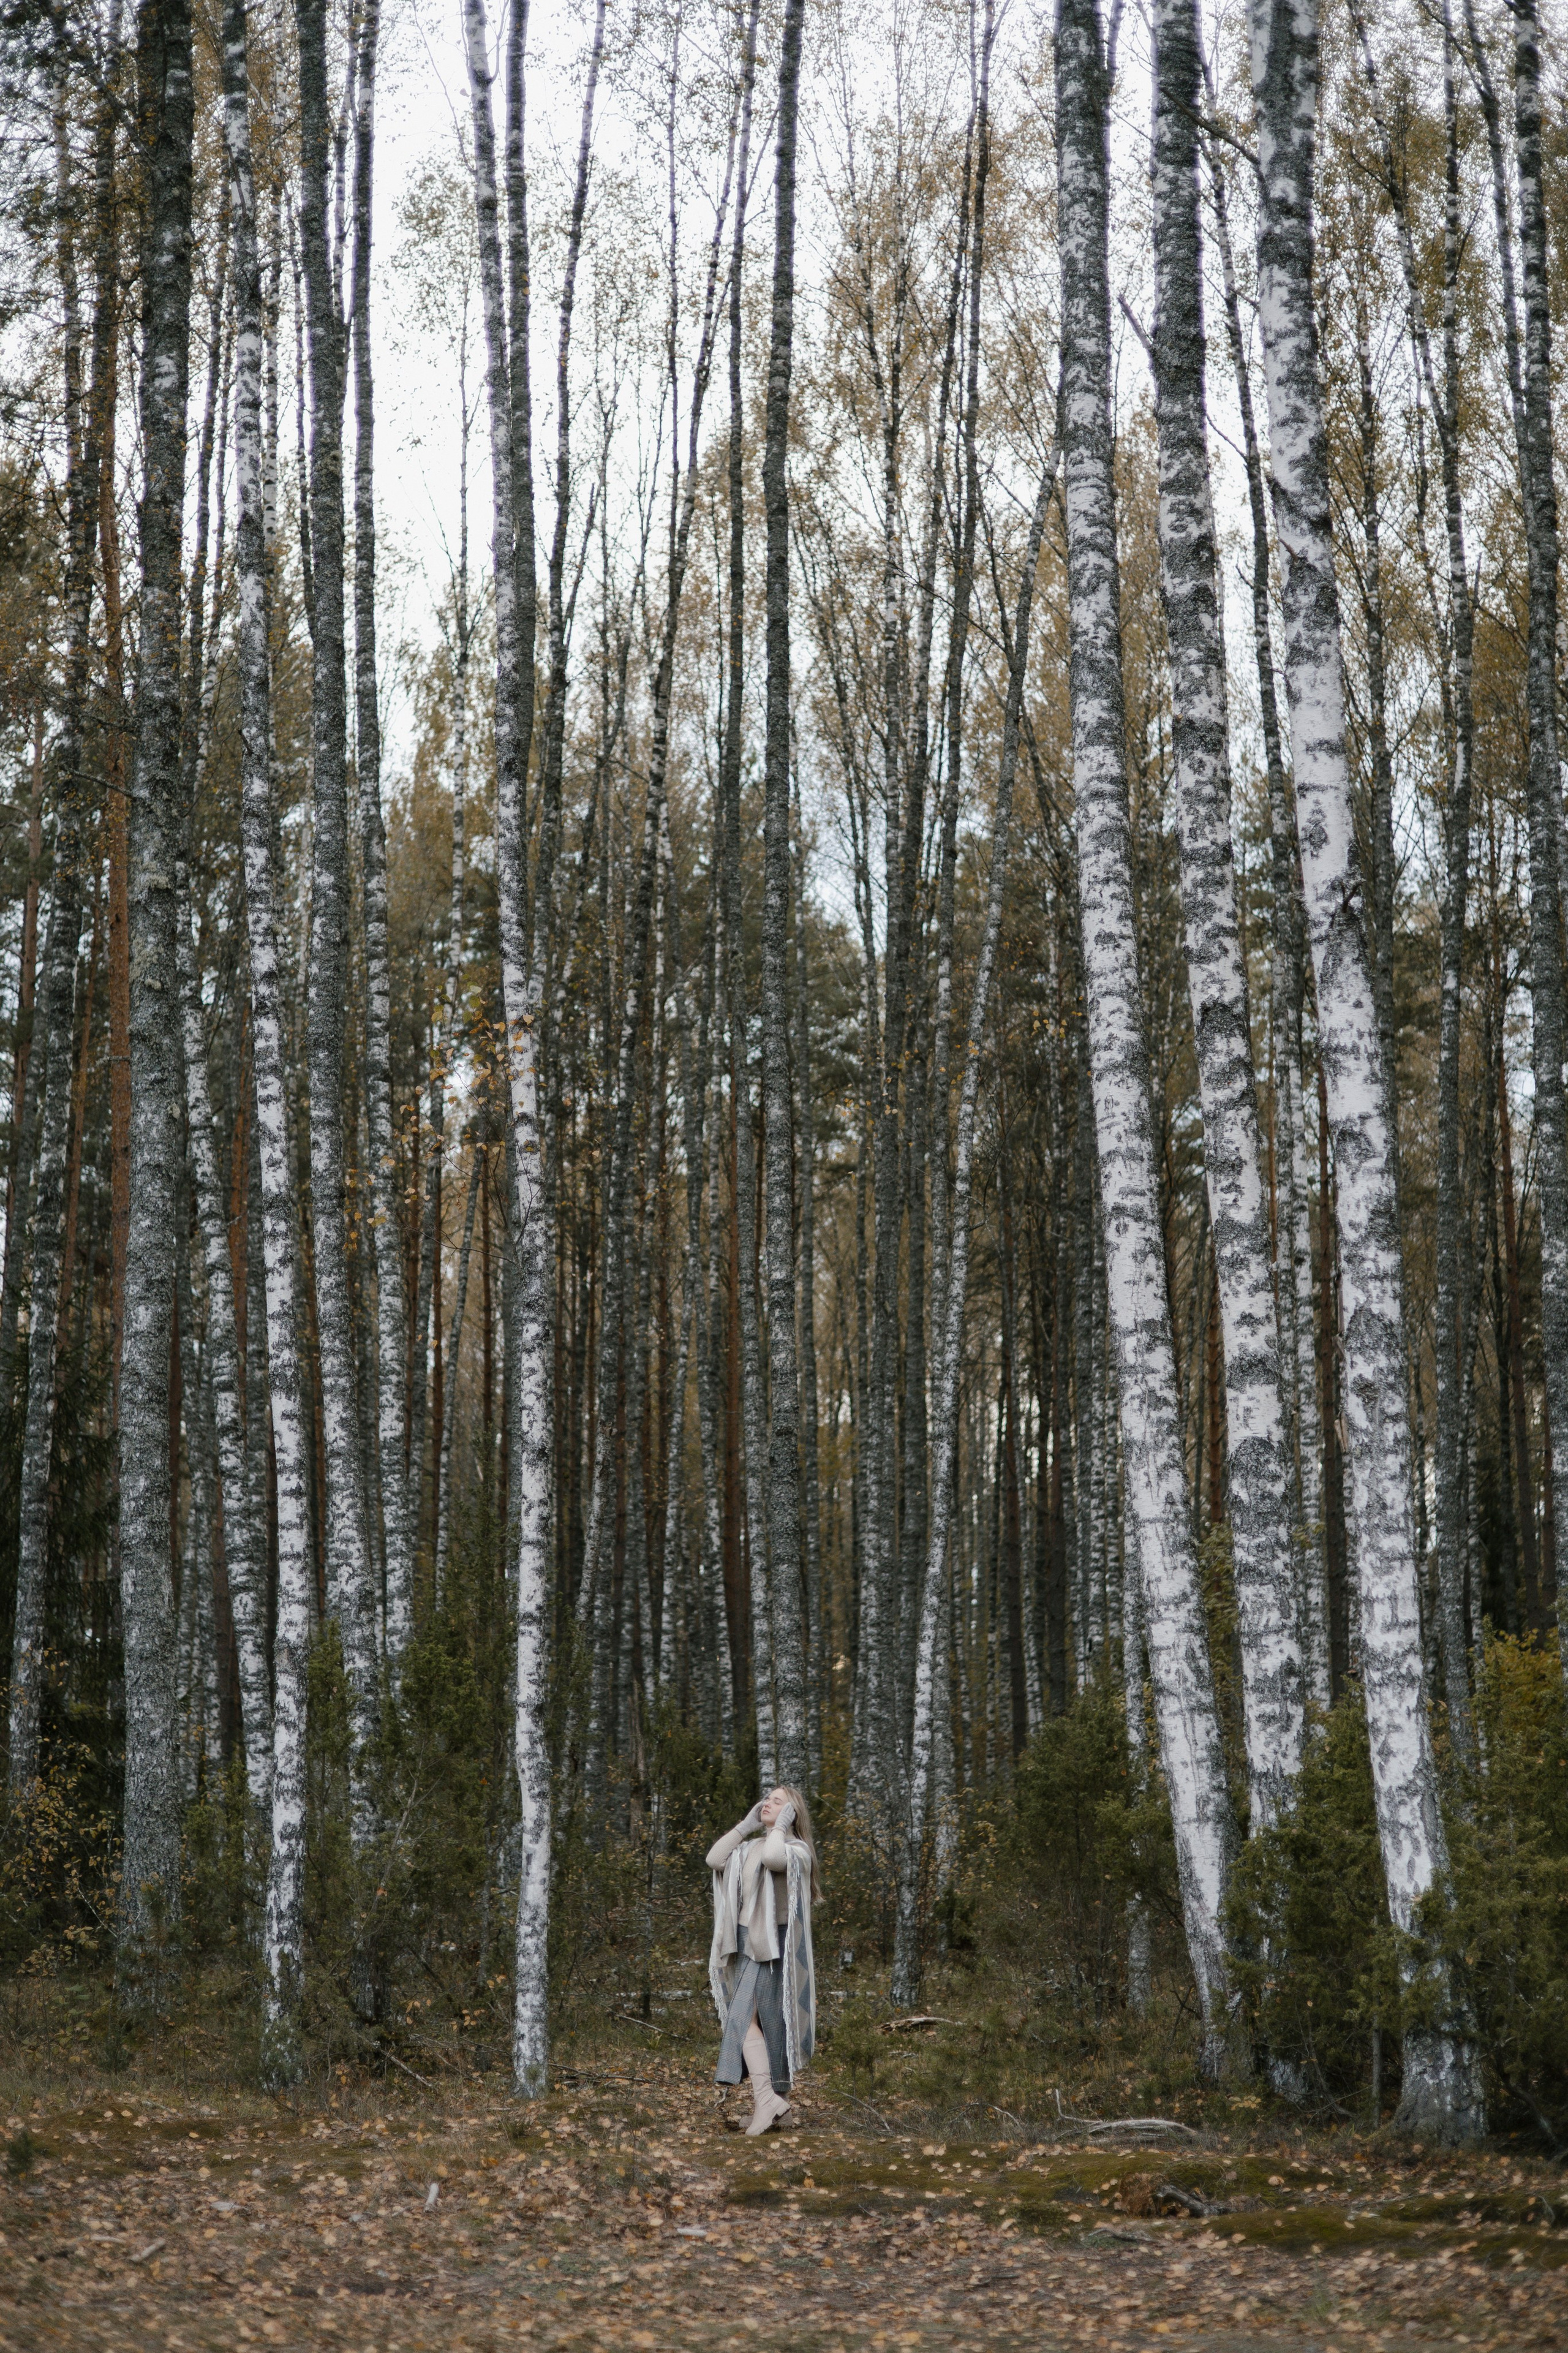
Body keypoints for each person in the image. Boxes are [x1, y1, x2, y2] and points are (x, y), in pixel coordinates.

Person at [706, 1783, 820, 2134]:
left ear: (792, 1813)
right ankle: (773, 2108)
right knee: (764, 2023)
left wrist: (782, 1827)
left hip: (773, 1944)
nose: (767, 1804)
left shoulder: (795, 1849)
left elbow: (775, 1859)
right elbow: (714, 1858)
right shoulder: (752, 1845)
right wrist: (746, 1824)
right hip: (745, 1942)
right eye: (766, 1799)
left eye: (778, 1802)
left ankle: (768, 2100)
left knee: (744, 2020)